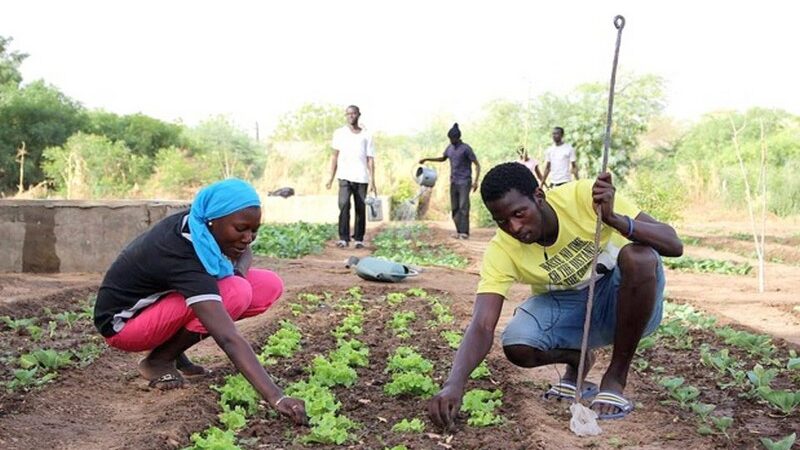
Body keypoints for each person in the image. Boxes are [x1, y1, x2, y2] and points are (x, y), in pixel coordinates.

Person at [428, 162, 682, 426]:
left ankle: (615, 377)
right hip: (571, 310)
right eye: (502, 221)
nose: (513, 227)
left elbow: (673, 244)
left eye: (519, 213)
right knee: (518, 343)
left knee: (639, 256)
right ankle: (578, 359)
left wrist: (614, 220)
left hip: (623, 303)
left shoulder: (584, 197)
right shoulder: (502, 250)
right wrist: (453, 384)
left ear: (538, 196)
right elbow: (482, 324)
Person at [93, 179, 308, 426]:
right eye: (241, 229)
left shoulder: (204, 223)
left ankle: (174, 351)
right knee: (234, 293)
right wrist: (277, 397)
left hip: (160, 304)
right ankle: (158, 360)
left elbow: (245, 252)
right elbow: (227, 337)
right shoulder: (182, 251)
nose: (248, 238)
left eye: (254, 230)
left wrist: (236, 271)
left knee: (267, 285)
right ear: (213, 221)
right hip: (124, 325)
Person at [325, 105, 377, 249]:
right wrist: (330, 177)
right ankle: (343, 238)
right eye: (348, 114)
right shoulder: (339, 133)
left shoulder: (367, 135)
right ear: (345, 116)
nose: (351, 116)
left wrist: (373, 180)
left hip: (361, 177)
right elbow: (334, 156)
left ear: (359, 115)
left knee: (360, 208)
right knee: (344, 205)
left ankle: (359, 238)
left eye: (353, 113)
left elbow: (370, 159)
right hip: (344, 176)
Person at [419, 123, 481, 239]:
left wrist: (476, 181)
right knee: (455, 208)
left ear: (458, 137)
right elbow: (442, 158)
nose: (451, 140)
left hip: (464, 181)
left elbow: (477, 164)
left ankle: (465, 233)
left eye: (453, 138)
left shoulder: (466, 149)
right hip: (454, 181)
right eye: (450, 139)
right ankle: (459, 231)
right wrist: (427, 159)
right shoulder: (450, 148)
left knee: (463, 206)